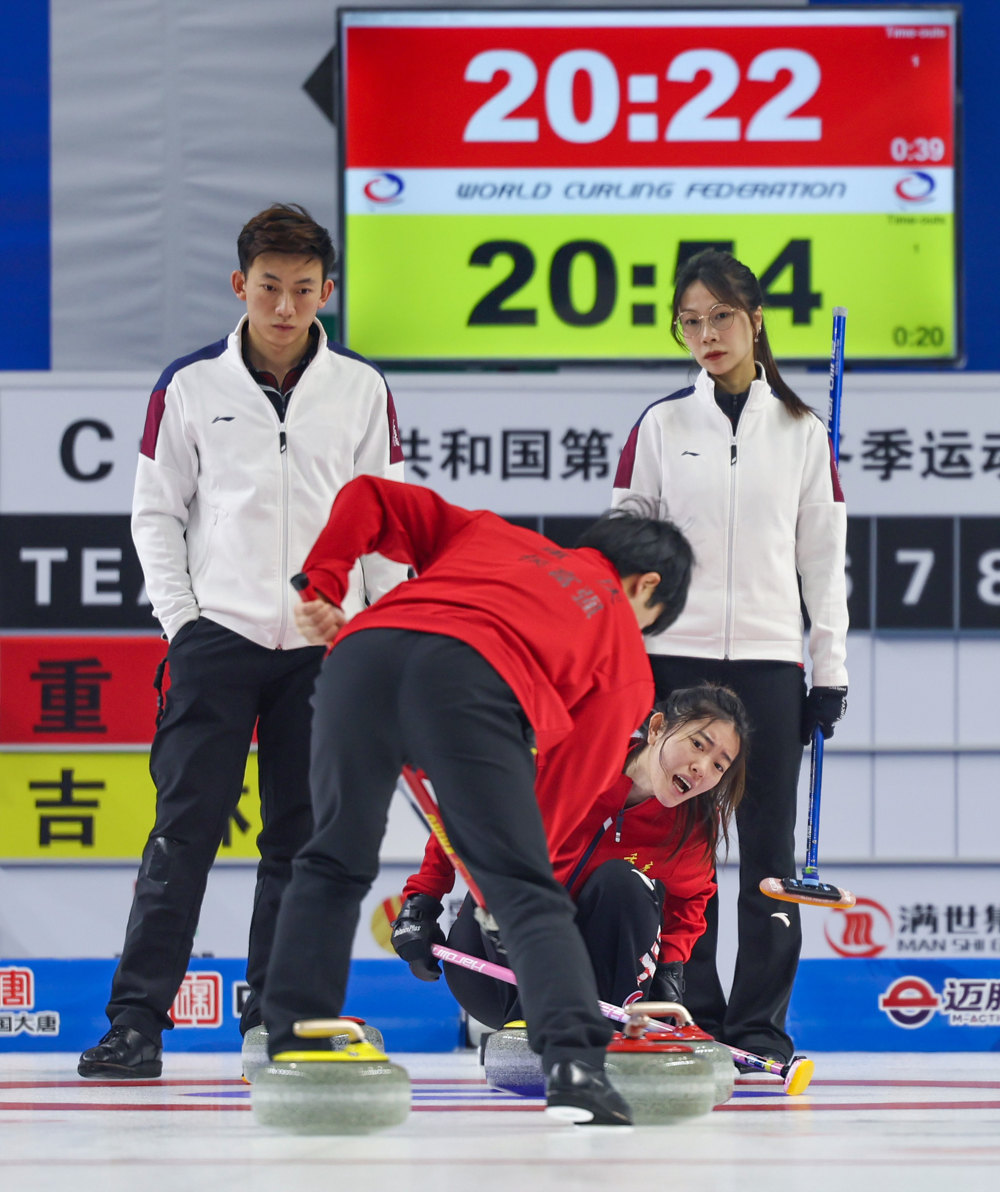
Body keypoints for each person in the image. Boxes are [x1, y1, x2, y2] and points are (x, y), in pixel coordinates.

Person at [78, 203, 407, 1079]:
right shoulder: (190, 386)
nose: (287, 307)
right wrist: (184, 624)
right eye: (270, 287)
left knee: (300, 840)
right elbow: (156, 513)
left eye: (304, 289)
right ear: (240, 286)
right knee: (182, 833)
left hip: (324, 648)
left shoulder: (362, 389)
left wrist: (377, 634)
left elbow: (388, 521)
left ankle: (279, 1017)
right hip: (217, 640)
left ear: (326, 291)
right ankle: (137, 1021)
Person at [261, 475, 694, 1127]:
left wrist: (324, 581)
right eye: (653, 623)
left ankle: (294, 1037)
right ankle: (575, 1070)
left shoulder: (491, 534)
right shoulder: (624, 651)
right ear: (648, 587)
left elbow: (370, 497)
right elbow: (558, 806)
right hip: (472, 677)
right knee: (527, 884)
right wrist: (504, 877)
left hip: (361, 656)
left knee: (330, 862)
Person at [611, 248, 849, 1067]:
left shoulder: (803, 430)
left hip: (770, 663)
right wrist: (626, 655)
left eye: (721, 317)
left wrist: (831, 669)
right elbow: (623, 549)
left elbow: (824, 560)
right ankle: (691, 1013)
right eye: (691, 321)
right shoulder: (661, 425)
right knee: (682, 849)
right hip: (673, 664)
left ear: (755, 322)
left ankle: (760, 1027)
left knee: (769, 859)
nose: (706, 334)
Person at [393, 684, 748, 1032]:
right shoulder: (569, 755)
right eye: (698, 744)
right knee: (515, 862)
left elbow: (690, 901)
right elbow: (468, 815)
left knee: (624, 882)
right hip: (496, 973)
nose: (703, 767)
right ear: (656, 728)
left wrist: (670, 969)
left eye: (720, 766)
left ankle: (604, 1032)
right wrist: (420, 905)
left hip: (593, 990)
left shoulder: (694, 825)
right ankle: (525, 1027)